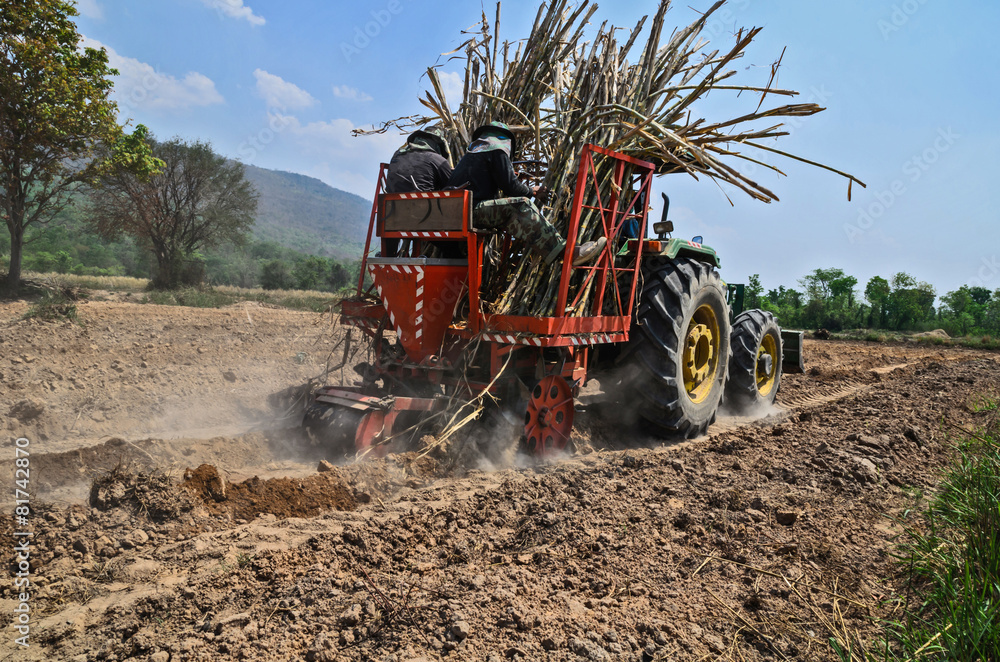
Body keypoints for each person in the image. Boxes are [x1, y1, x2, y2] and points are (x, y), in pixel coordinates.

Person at [447, 121, 605, 266]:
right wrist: (532, 191)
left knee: (508, 209)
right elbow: (511, 187)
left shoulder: (472, 154)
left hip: (455, 212)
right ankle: (565, 253)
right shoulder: (497, 149)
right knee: (520, 205)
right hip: (471, 212)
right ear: (505, 139)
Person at [385, 125, 453, 194]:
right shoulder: (438, 160)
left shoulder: (397, 154)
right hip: (424, 202)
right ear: (437, 144)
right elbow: (451, 185)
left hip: (391, 200)